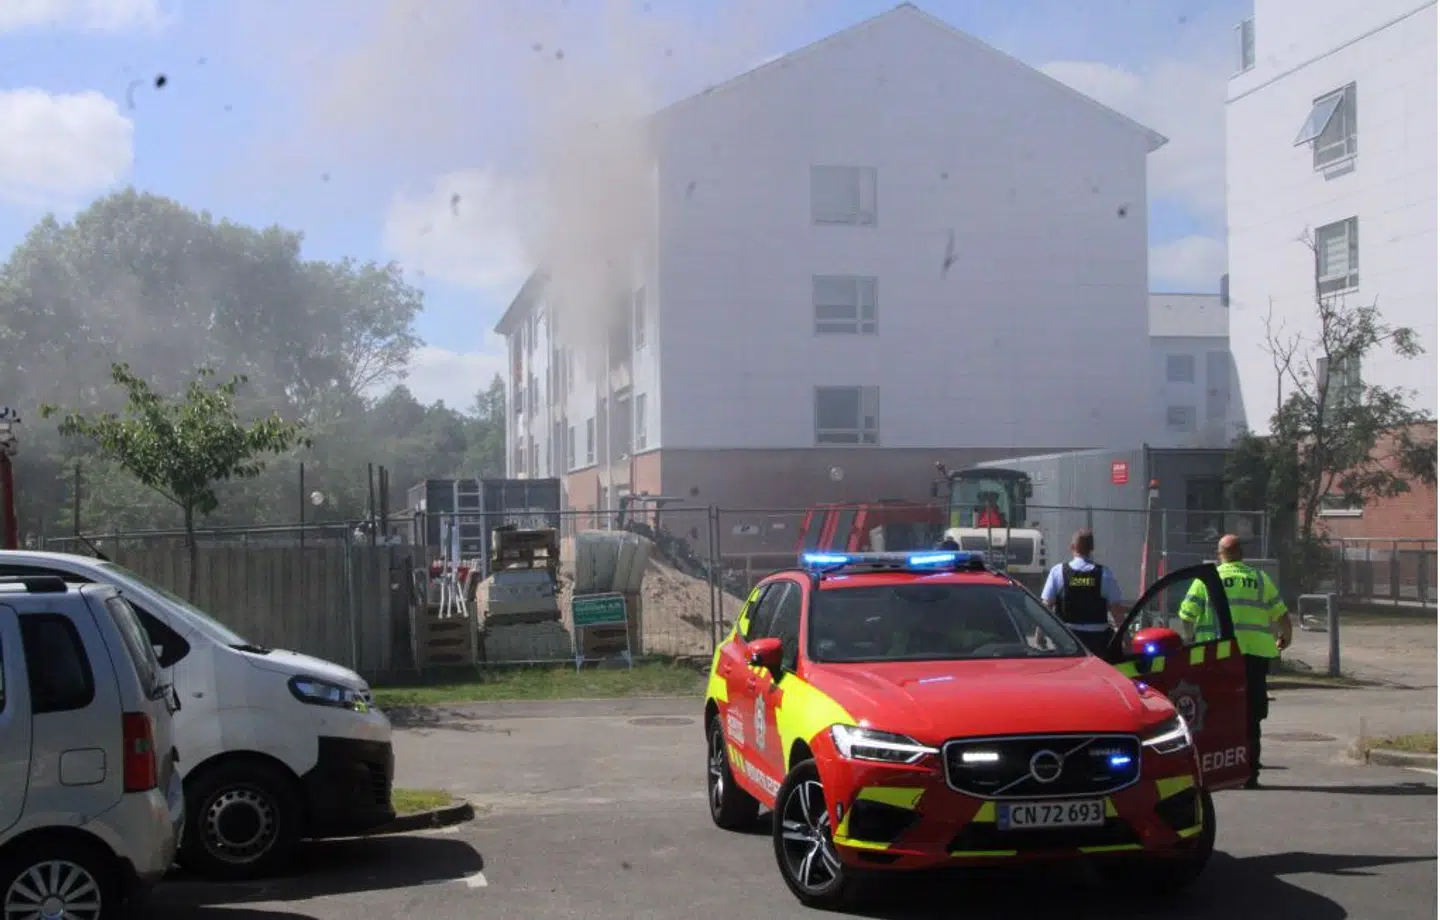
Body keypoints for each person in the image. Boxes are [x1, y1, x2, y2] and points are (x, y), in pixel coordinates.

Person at [1178, 534, 1292, 790]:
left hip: (1216, 656)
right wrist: (1285, 637)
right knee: (1251, 714)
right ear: (1241, 553)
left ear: (1220, 553)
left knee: (1213, 712)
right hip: (1253, 656)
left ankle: (1213, 771)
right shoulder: (1260, 579)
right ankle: (1250, 773)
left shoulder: (1207, 579)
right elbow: (1281, 614)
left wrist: (1191, 640)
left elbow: (1186, 614)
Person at [1040, 528, 1127, 656]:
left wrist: (1039, 634)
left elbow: (1046, 606)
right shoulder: (1104, 574)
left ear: (1071, 547)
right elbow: (1117, 610)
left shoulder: (1058, 572)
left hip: (1068, 639)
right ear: (1092, 548)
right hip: (1097, 641)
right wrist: (1126, 639)